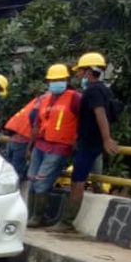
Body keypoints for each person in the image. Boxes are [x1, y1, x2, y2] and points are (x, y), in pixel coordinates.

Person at [55, 52, 119, 232]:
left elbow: (100, 114)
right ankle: (68, 219)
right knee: (81, 178)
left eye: (80, 71)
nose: (78, 75)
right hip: (90, 141)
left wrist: (106, 139)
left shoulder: (92, 91)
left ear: (89, 72)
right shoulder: (105, 89)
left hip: (90, 142)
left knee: (78, 180)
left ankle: (67, 221)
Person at [24, 65, 80, 227]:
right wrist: (30, 146)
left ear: (66, 80)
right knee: (33, 179)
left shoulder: (74, 98)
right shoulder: (44, 99)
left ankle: (37, 217)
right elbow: (36, 124)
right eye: (53, 80)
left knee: (42, 181)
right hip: (41, 145)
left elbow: (83, 120)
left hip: (59, 147)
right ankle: (33, 215)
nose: (56, 83)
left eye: (60, 80)